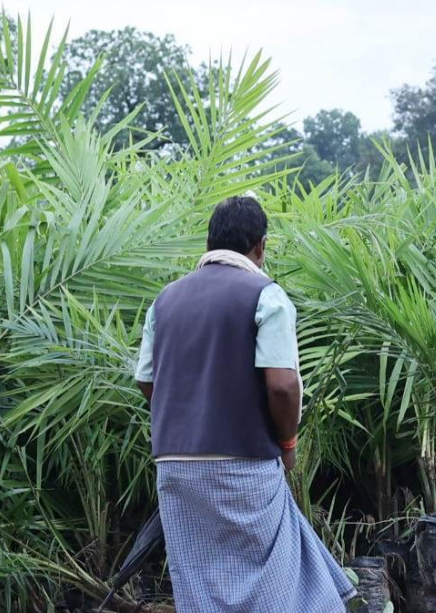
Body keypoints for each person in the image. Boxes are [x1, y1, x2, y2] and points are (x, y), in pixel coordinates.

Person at [135, 194, 355, 612]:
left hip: (175, 466)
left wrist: (187, 416)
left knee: (200, 581)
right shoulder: (265, 294)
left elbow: (147, 379)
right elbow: (282, 387)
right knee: (276, 578)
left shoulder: (165, 300)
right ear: (260, 246)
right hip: (242, 461)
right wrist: (288, 445)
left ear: (209, 242)